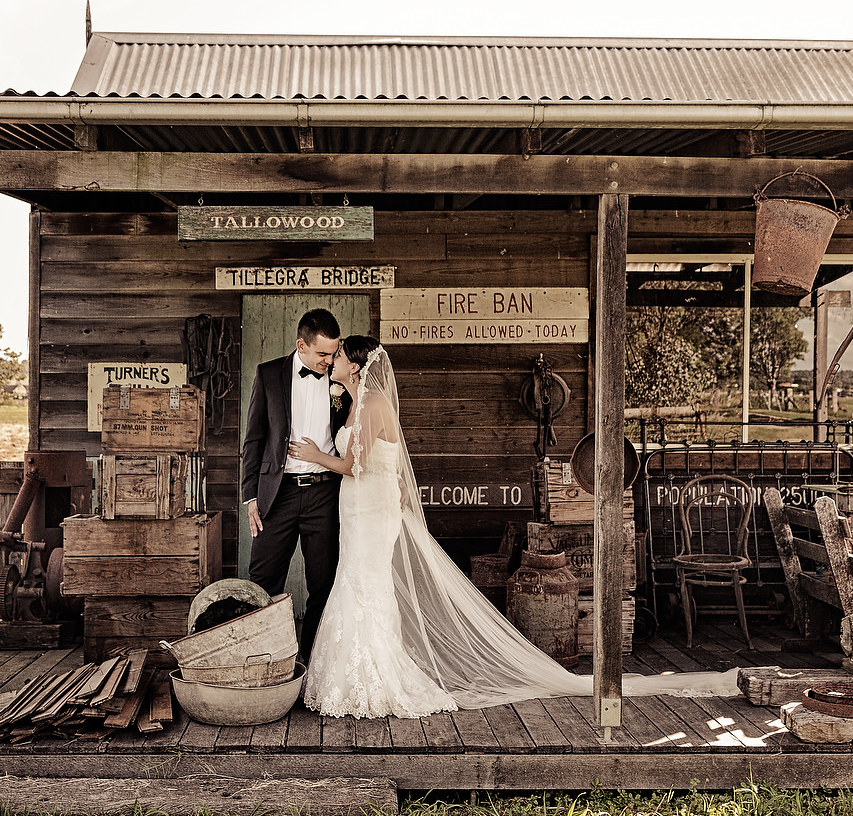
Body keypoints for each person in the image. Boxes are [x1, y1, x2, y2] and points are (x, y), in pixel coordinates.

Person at [287, 336, 738, 719]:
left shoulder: (371, 403)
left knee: (363, 584)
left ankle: (372, 679)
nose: (333, 362)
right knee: (363, 583)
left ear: (358, 364)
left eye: (340, 355)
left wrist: (313, 457)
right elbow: (384, 467)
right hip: (364, 507)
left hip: (367, 506)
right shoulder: (357, 401)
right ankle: (362, 674)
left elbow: (354, 464)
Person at [240, 308, 350, 662]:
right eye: (322, 354)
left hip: (326, 494)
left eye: (334, 353)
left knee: (324, 584)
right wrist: (250, 496)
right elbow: (253, 440)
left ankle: (312, 664)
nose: (329, 361)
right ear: (301, 345)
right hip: (278, 494)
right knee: (262, 580)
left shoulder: (342, 382)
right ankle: (262, 659)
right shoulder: (269, 374)